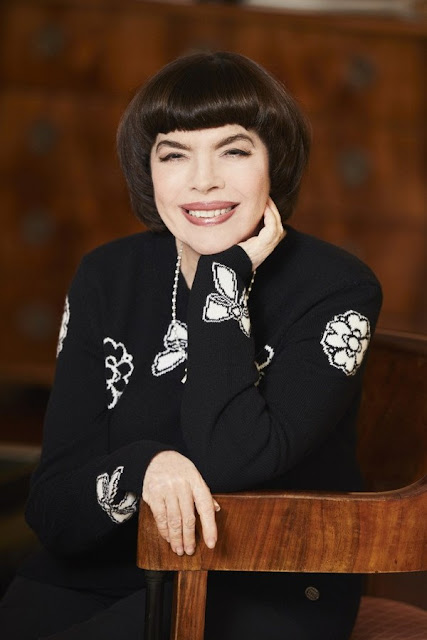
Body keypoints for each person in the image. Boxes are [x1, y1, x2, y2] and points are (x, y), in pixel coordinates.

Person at [0, 51, 382, 639]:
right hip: (94, 572)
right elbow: (53, 508)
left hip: (261, 579)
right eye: (174, 154)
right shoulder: (107, 276)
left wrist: (223, 278)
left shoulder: (337, 288)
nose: (203, 180)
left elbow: (231, 461)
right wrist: (144, 467)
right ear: (147, 171)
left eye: (233, 151)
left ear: (274, 161)